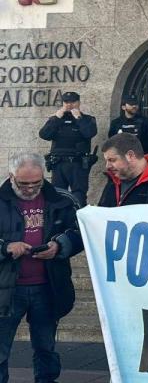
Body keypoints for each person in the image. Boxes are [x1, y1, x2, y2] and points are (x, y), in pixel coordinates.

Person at [0, 152, 84, 383]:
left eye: (36, 183)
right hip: (7, 288)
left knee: (46, 346)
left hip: (48, 285)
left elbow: (81, 234)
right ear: (11, 176)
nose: (30, 189)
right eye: (23, 183)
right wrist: (6, 247)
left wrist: (59, 246)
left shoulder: (62, 199)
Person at [38, 91, 96, 206]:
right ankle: (59, 221)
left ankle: (77, 222)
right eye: (66, 102)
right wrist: (56, 118)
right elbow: (44, 135)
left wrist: (79, 118)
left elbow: (89, 133)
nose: (69, 105)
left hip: (77, 164)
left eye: (73, 102)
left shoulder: (87, 119)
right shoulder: (56, 119)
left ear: (78, 103)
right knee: (57, 195)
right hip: (58, 163)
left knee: (79, 196)